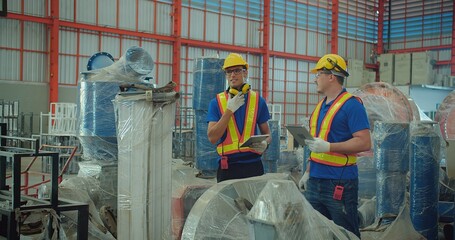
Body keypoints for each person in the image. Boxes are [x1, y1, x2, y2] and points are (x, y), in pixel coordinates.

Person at [299, 54, 371, 238]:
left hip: (339, 182)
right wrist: (308, 171)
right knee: (316, 233)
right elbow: (316, 144)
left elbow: (364, 141)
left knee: (346, 234)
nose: (315, 78)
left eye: (318, 74)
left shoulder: (352, 105)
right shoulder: (319, 107)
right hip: (315, 180)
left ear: (331, 76)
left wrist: (329, 147)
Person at [207, 53, 271, 183]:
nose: (232, 75)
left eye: (237, 70)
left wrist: (265, 143)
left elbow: (267, 134)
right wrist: (228, 111)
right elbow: (212, 137)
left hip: (253, 165)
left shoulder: (258, 101)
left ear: (245, 73)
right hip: (228, 167)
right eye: (229, 71)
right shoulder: (216, 103)